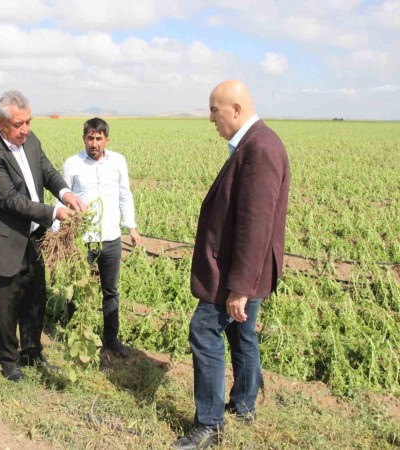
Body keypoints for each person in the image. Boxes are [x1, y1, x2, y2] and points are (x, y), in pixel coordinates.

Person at [173, 80, 290, 449]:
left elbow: (256, 225)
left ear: (235, 110)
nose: (210, 118)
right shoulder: (256, 143)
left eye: (214, 110)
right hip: (245, 268)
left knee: (204, 331)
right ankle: (244, 404)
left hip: (235, 272)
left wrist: (240, 286)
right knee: (242, 333)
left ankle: (209, 423)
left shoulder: (259, 148)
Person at [0, 90, 86, 382]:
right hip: (2, 242)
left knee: (36, 298)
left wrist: (65, 192)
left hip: (33, 239)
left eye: (28, 122)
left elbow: (46, 171)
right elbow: (10, 200)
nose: (25, 129)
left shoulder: (30, 141)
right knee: (7, 304)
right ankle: (9, 362)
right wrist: (53, 213)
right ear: (1, 122)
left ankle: (32, 353)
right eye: (19, 124)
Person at [57, 117, 142, 357]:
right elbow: (61, 198)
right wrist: (56, 232)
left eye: (98, 138)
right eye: (90, 138)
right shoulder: (72, 164)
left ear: (106, 139)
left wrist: (131, 227)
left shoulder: (118, 162)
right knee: (75, 288)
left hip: (111, 237)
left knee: (111, 290)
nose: (94, 143)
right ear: (84, 138)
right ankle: (73, 334)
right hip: (83, 239)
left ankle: (111, 339)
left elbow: (125, 194)